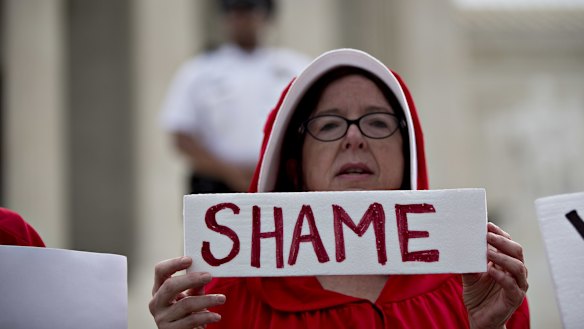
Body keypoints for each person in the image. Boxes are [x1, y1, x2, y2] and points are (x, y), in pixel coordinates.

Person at [150, 49, 530, 328]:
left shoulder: (480, 288)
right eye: (329, 126)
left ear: (408, 155)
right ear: (295, 166)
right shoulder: (218, 302)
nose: (353, 137)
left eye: (378, 123)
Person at [161, 0, 310, 194]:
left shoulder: (294, 67)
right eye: (234, 10)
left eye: (251, 9)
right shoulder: (199, 70)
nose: (243, 18)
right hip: (215, 184)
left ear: (267, 16)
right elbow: (181, 135)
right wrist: (231, 173)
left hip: (279, 180)